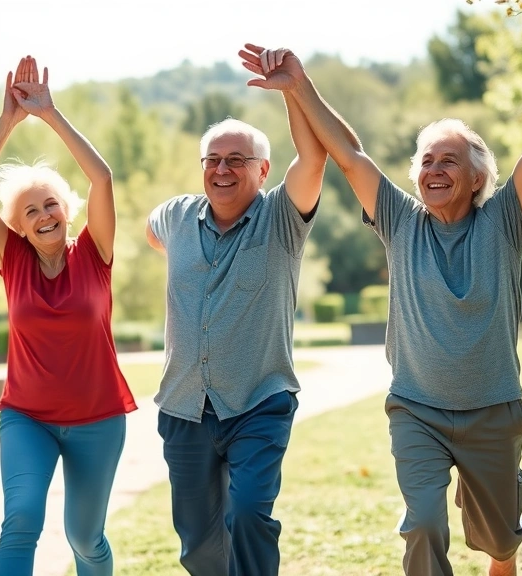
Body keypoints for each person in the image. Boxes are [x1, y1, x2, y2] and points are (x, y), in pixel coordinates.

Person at [264, 4, 522, 575]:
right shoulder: (400, 220)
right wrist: (300, 84)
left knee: (500, 541)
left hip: (493, 411)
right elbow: (350, 154)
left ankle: (501, 547)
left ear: (478, 177)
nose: (435, 169)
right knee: (423, 524)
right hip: (417, 409)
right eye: (427, 161)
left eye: (450, 161)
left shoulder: (503, 222)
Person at [144, 46, 327, 575]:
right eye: (213, 160)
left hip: (259, 402)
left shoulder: (281, 220)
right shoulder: (176, 217)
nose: (222, 169)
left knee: (248, 514)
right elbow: (151, 234)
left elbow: (313, 158)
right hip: (184, 407)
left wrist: (293, 89)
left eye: (237, 160)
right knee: (198, 547)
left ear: (263, 169)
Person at [0, 56, 137, 576]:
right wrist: (7, 122)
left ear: (66, 209)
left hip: (98, 417)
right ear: (19, 228)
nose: (44, 215)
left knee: (85, 536)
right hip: (27, 417)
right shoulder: (12, 261)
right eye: (31, 212)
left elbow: (101, 178)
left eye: (50, 204)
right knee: (21, 520)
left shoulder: (94, 254)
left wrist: (51, 115)